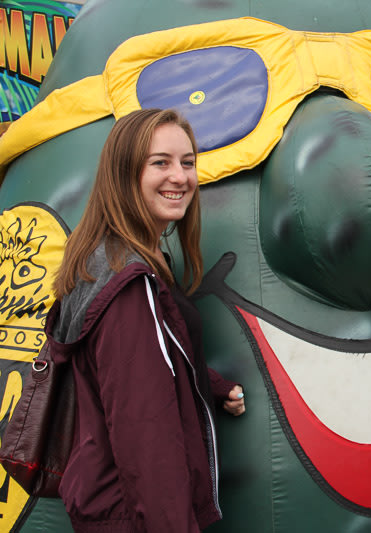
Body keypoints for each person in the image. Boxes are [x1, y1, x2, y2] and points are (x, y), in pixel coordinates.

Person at [48, 108, 245, 532]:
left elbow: (132, 363)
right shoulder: (129, 282)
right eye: (160, 162)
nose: (180, 177)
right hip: (138, 515)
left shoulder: (116, 254)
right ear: (124, 174)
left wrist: (208, 384)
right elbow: (148, 438)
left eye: (188, 162)